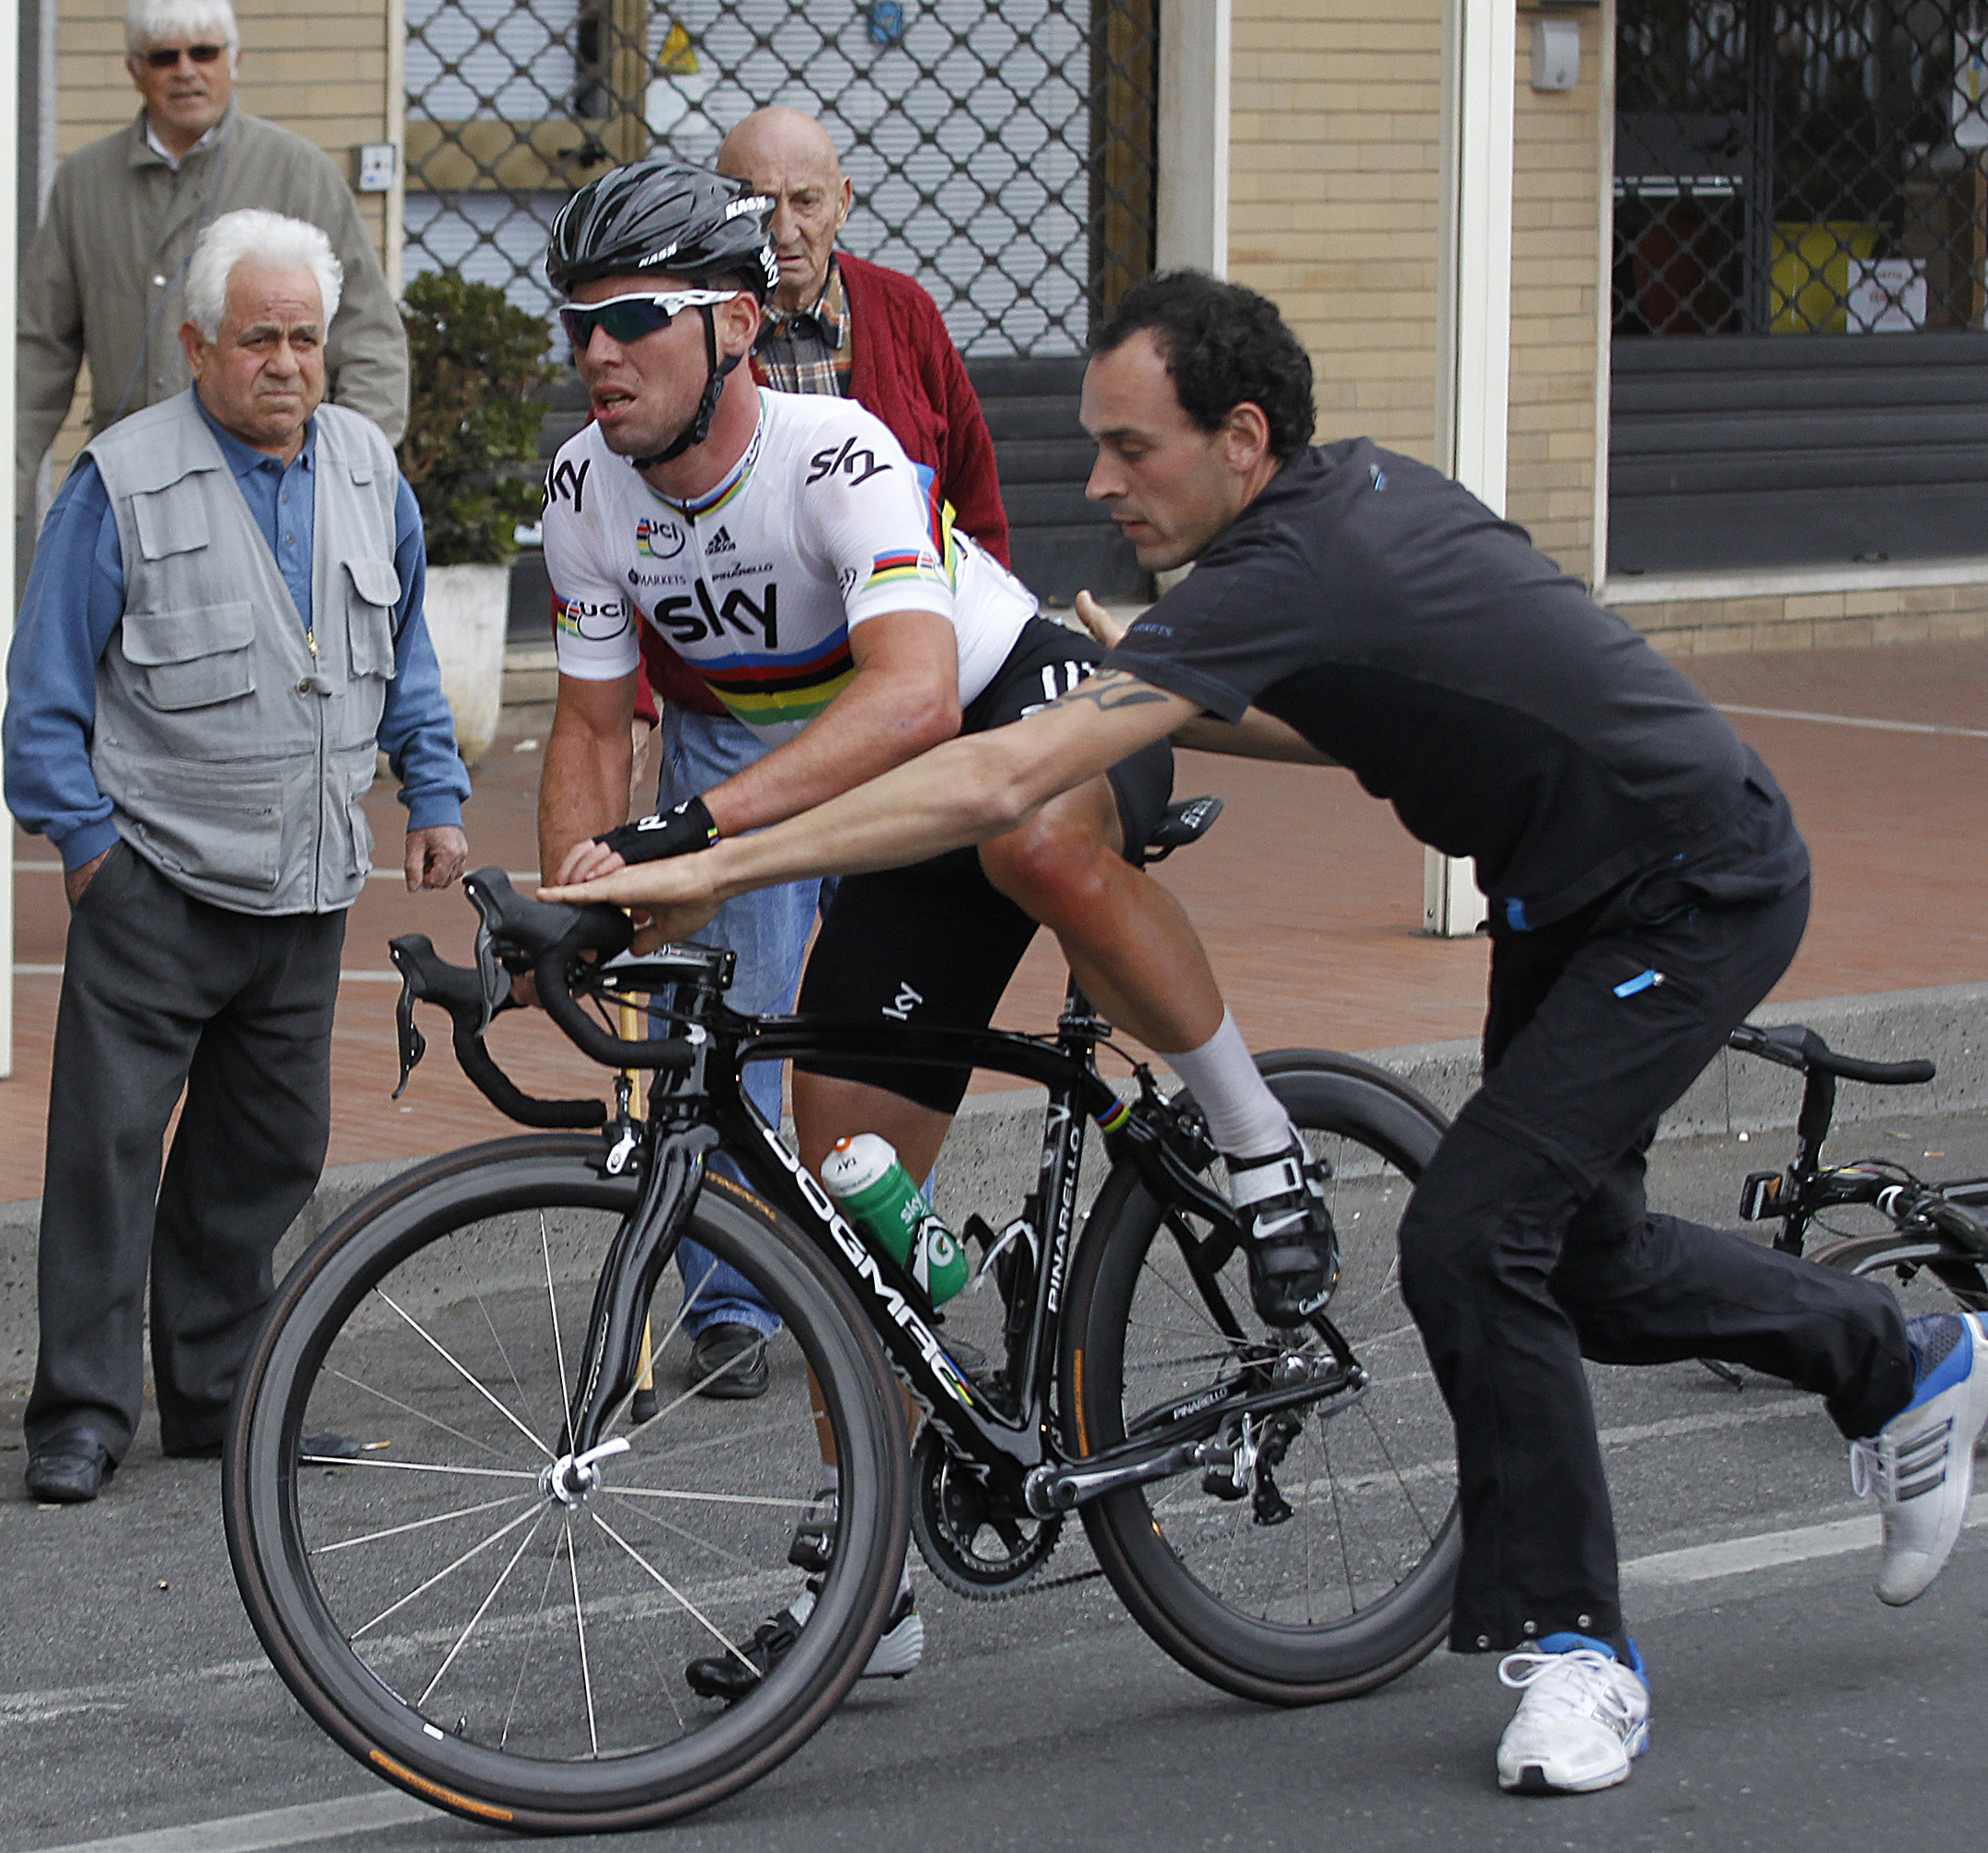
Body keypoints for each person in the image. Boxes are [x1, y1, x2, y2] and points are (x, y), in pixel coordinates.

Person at [549, 269, 1973, 1797]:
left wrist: (696, 857)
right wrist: (1155, 686)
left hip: (1695, 883)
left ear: (1241, 436)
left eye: (1129, 447)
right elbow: (1358, 703)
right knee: (1587, 1257)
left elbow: (985, 782)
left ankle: (1577, 1644)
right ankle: (1902, 1361)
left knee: (1476, 1234)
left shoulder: (1314, 553)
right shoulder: (1311, 536)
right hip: (1564, 896)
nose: (1095, 480)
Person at [536, 163, 1332, 1698]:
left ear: (735, 326)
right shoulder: (586, 490)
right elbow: (586, 728)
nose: (599, 354)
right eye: (577, 327)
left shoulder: (838, 453)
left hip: (1015, 710)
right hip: (893, 809)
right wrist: (573, 896)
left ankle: (1257, 1135)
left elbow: (910, 697)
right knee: (842, 1184)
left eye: (632, 320)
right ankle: (873, 1566)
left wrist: (698, 832)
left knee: (1032, 833)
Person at [4, 208, 469, 1503]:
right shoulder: (122, 477)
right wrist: (90, 853)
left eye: (306, 338)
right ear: (195, 344)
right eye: (258, 337)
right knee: (105, 1156)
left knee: (265, 1154)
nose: (286, 362)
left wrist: (432, 792)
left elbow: (409, 657)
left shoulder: (373, 473)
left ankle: (215, 1402)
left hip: (308, 885)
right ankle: (81, 1416)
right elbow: (42, 694)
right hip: (153, 877)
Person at [631, 108, 1019, 1379]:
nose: (783, 229)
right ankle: (737, 1300)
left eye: (806, 200)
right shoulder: (680, 328)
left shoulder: (902, 318)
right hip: (732, 725)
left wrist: (979, 673)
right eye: (754, 200)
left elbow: (969, 496)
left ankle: (873, 1267)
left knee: (877, 1012)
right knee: (729, 1013)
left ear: (843, 202)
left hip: (891, 716)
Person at [16, 0, 408, 528]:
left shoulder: (299, 173)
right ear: (134, 69)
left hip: (266, 494)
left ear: (235, 60)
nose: (185, 71)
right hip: (125, 491)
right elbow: (38, 353)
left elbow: (371, 342)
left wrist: (341, 477)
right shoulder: (82, 183)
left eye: (204, 52)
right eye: (163, 57)